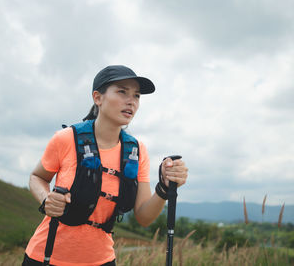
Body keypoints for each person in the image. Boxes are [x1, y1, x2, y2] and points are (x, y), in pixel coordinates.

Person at [22, 65, 189, 266]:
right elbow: (37, 177)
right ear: (97, 97)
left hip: (102, 260)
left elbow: (144, 218)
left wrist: (164, 187)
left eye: (136, 96)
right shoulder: (67, 139)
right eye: (122, 92)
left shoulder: (136, 151)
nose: (131, 101)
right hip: (46, 257)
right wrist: (46, 199)